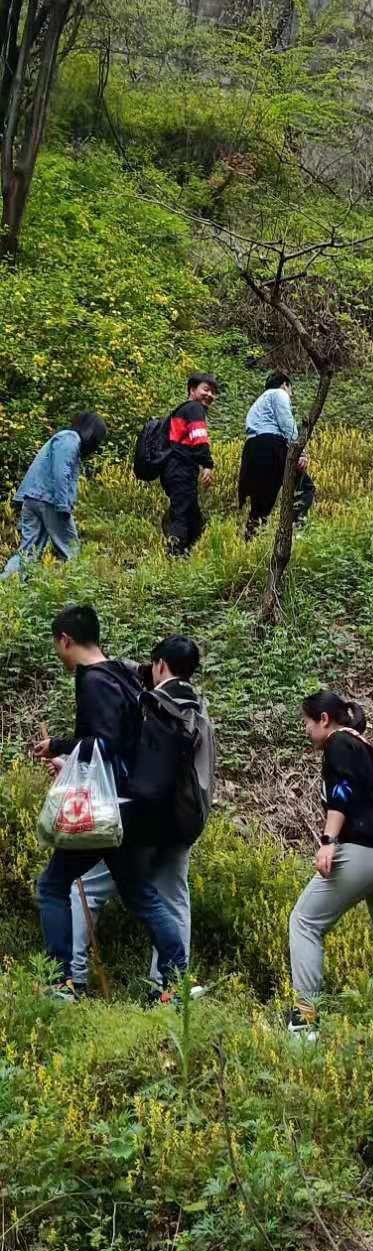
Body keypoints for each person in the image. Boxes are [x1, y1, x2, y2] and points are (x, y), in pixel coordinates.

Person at [32, 605, 188, 1002]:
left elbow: (104, 742)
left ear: (66, 639)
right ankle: (176, 981)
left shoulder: (94, 680)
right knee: (140, 895)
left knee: (51, 885)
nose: (59, 654)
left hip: (108, 807)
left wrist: (60, 747)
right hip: (132, 803)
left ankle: (60, 980)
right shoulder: (122, 673)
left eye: (58, 646)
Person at [71, 636, 216, 997]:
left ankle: (69, 978)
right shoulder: (199, 710)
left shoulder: (149, 705)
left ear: (161, 665)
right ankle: (169, 986)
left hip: (141, 821)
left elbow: (119, 757)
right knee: (173, 899)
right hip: (184, 821)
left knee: (87, 888)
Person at [287, 691, 373, 1059]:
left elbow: (341, 792)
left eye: (306, 722)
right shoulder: (369, 748)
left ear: (324, 720)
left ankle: (304, 1021)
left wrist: (329, 839)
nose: (305, 730)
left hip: (363, 850)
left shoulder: (339, 743)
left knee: (304, 921)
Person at [2, 412, 107, 578]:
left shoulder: (63, 439)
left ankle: (6, 585)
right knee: (71, 549)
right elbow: (61, 472)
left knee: (28, 551)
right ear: (91, 432)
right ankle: (73, 589)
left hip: (32, 499)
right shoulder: (70, 439)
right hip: (49, 500)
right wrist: (62, 505)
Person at [237, 373, 310, 540]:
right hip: (271, 445)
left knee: (262, 499)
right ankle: (295, 532)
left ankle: (250, 540)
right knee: (304, 487)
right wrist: (300, 452)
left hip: (253, 448)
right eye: (291, 390)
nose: (291, 394)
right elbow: (286, 421)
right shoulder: (278, 393)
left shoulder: (259, 402)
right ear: (285, 384)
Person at [161, 374, 216, 556]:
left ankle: (183, 552)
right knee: (183, 514)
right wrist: (207, 464)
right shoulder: (194, 408)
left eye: (213, 392)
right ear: (192, 390)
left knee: (192, 516)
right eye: (206, 390)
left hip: (173, 470)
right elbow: (199, 438)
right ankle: (175, 556)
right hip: (180, 469)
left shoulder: (181, 410)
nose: (210, 395)